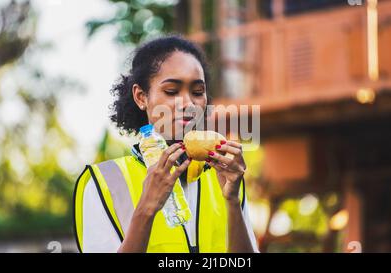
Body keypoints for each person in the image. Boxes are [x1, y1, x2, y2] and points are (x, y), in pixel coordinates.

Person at [73, 35, 258, 253]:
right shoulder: (103, 182)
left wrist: (233, 203)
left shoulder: (225, 176)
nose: (189, 103)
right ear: (141, 97)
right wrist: (146, 209)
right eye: (171, 91)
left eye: (198, 92)